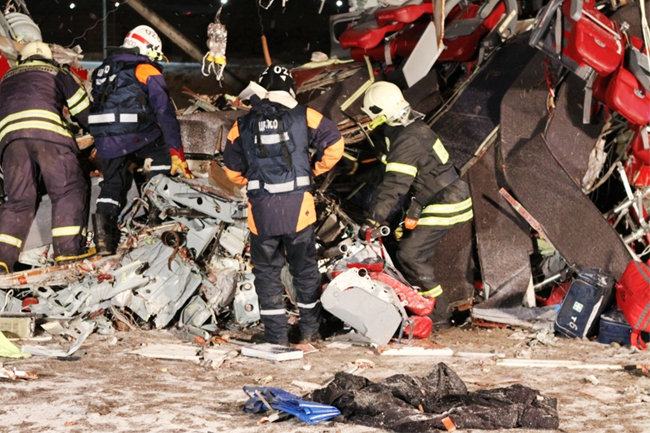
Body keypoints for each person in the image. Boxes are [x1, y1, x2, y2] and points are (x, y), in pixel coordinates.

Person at [223, 64, 344, 345]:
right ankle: (310, 331)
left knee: (267, 273)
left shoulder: (242, 124)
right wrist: (312, 170)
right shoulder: (304, 115)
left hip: (262, 212)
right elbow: (335, 144)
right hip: (299, 208)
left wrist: (254, 180)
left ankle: (276, 336)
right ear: (289, 89)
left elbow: (231, 171)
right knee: (304, 270)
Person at [360, 81, 473, 327]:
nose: (370, 119)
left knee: (410, 254)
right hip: (437, 196)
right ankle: (420, 304)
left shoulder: (407, 139)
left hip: (446, 200)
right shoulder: (406, 130)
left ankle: (439, 314)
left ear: (381, 112)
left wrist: (373, 219)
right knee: (399, 242)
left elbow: (395, 184)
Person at [88, 25, 193, 255]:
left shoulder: (102, 69)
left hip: (104, 138)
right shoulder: (145, 69)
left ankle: (104, 241)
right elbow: (164, 112)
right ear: (147, 48)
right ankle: (157, 214)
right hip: (134, 132)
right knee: (162, 153)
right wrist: (176, 152)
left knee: (112, 183)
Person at [0, 41, 94, 273]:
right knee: (68, 190)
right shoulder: (56, 72)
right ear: (48, 58)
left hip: (11, 143)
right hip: (49, 138)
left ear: (22, 60)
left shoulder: (6, 80)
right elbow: (82, 109)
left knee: (18, 201)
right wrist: (99, 132)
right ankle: (68, 252)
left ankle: (2, 259)